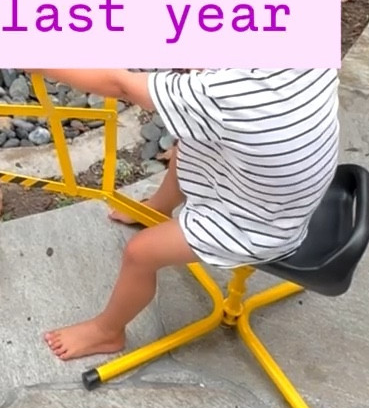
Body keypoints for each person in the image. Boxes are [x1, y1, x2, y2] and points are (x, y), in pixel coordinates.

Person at [40, 68, 339, 362]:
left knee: (140, 253)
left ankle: (107, 331)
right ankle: (159, 207)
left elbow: (122, 85)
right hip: (284, 195)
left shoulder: (225, 96)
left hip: (258, 226)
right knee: (190, 138)